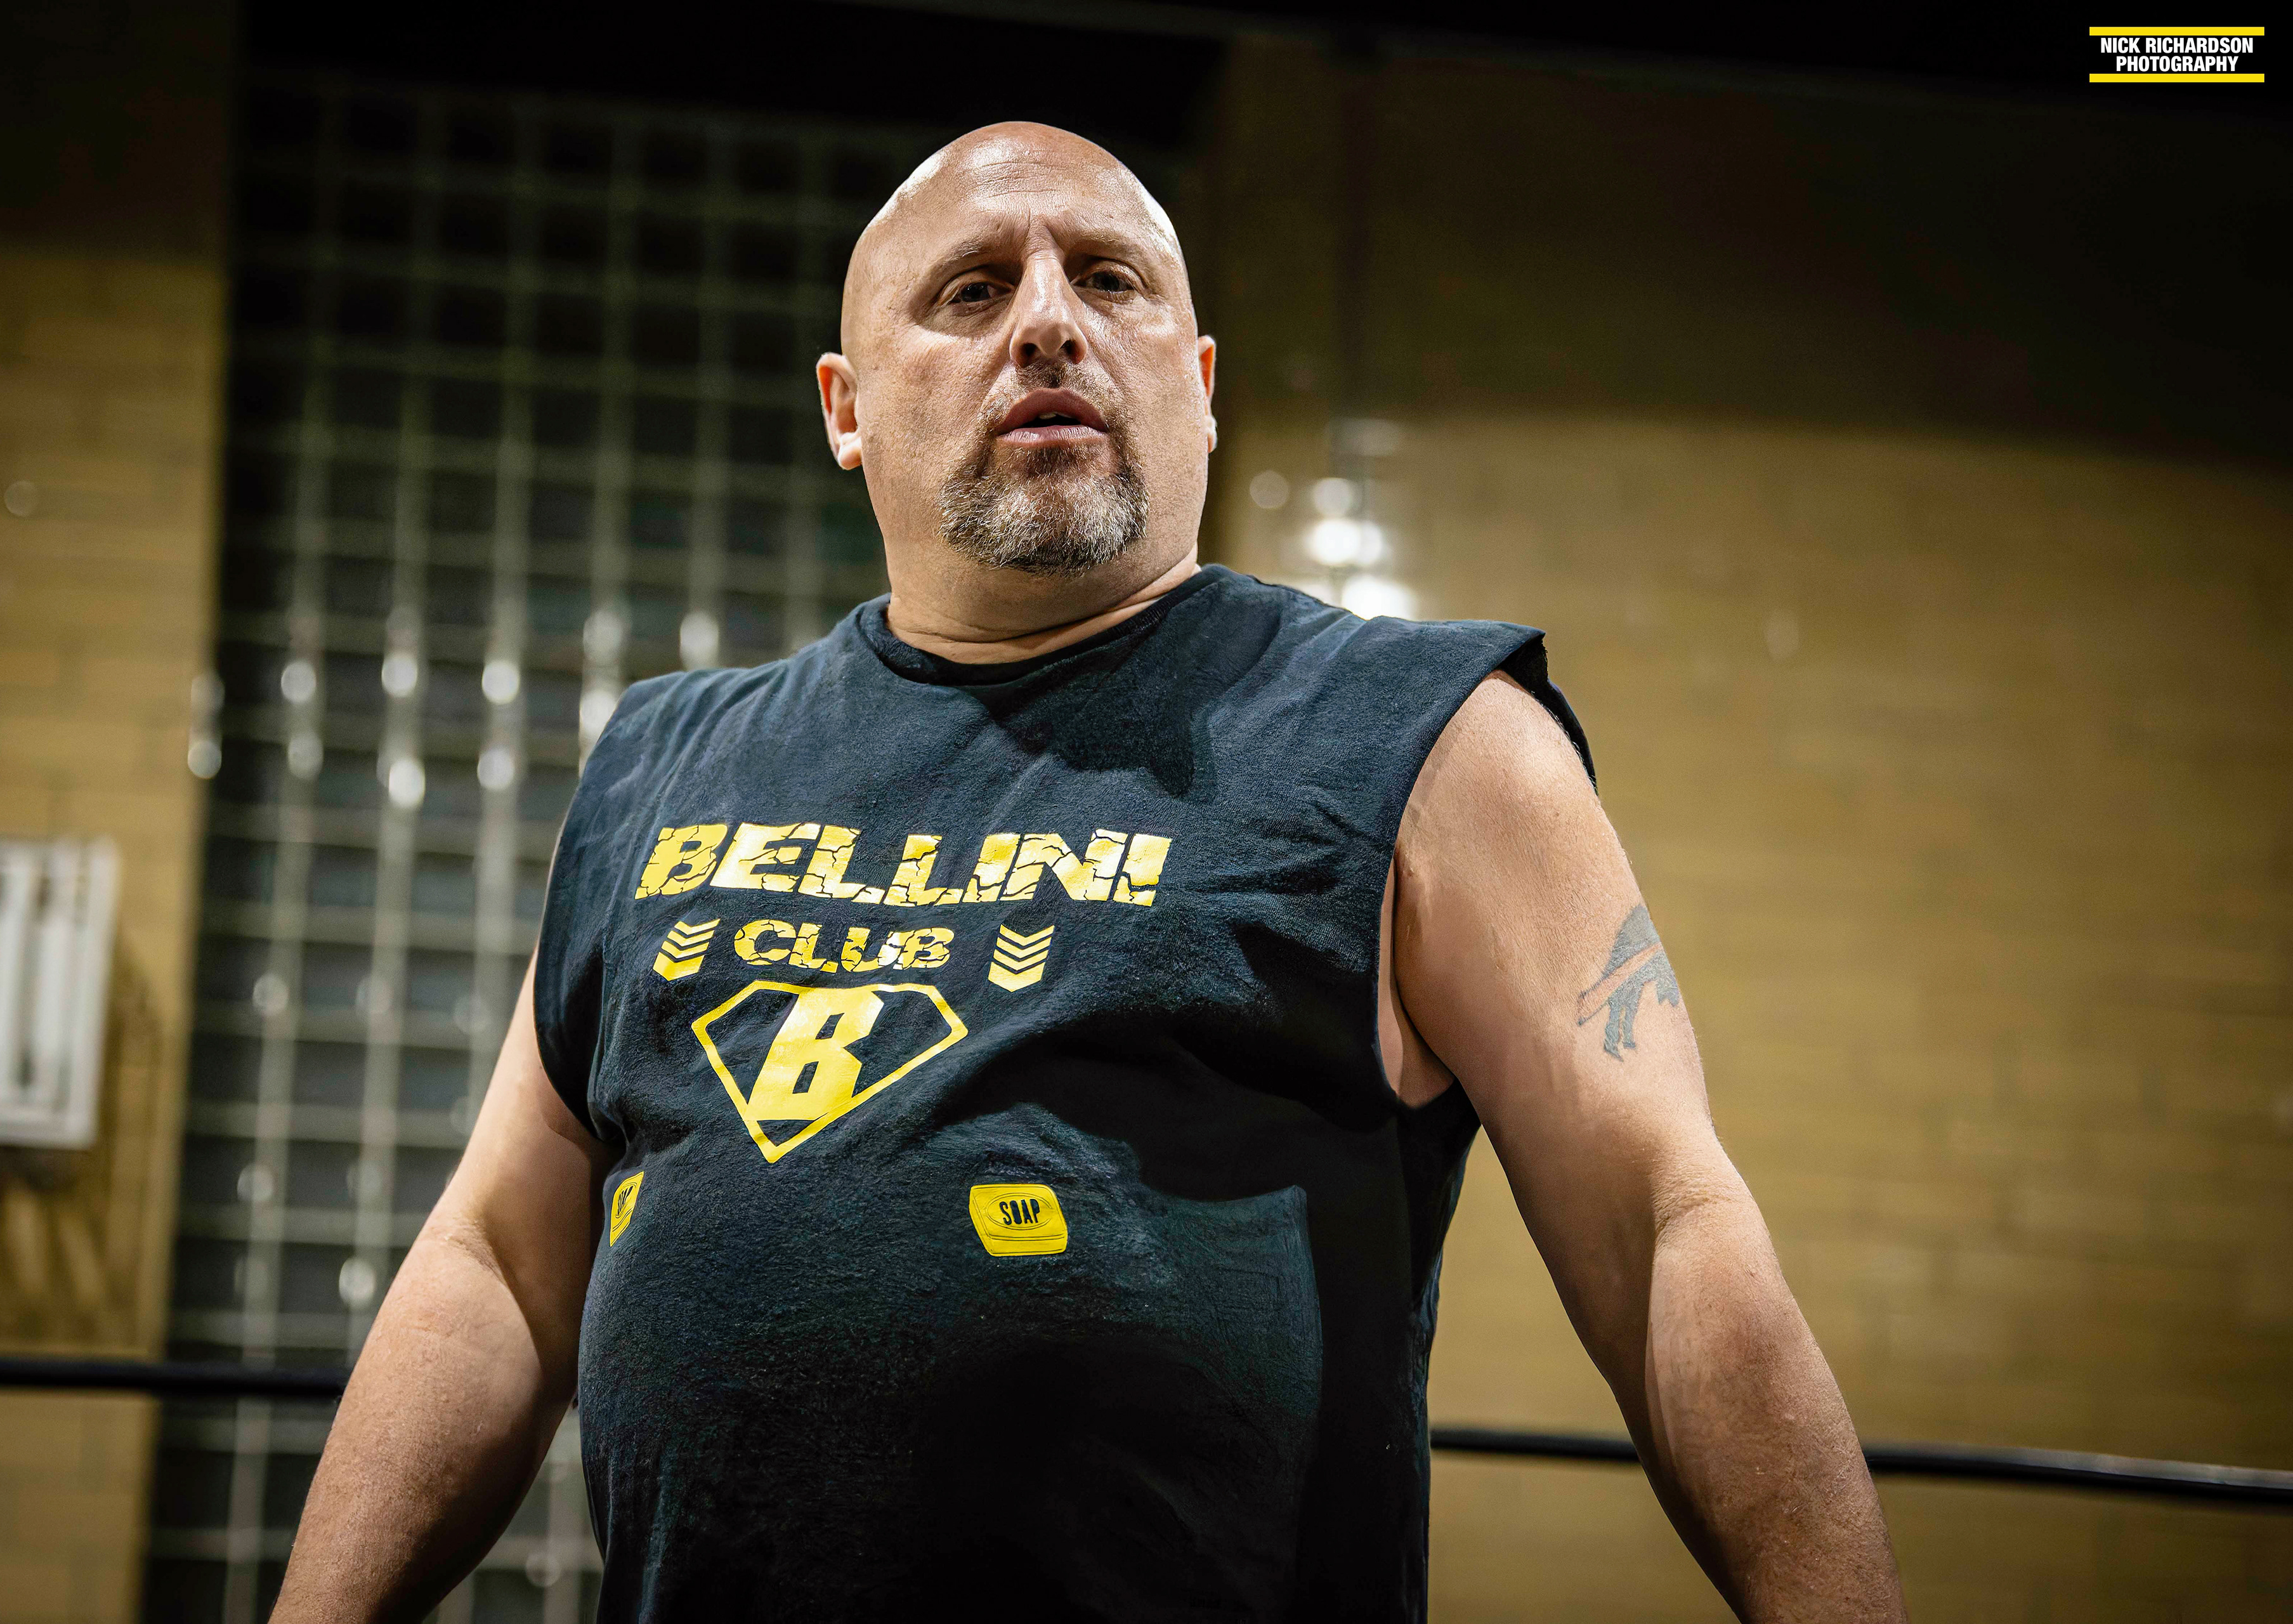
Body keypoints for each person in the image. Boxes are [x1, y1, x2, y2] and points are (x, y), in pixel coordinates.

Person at [272, 122, 1906, 1622]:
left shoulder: (1422, 736)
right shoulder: (666, 762)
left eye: (1110, 281)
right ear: (845, 408)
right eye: (972, 290)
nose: (1049, 323)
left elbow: (1663, 1226)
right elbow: (499, 1260)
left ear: (1198, 381)